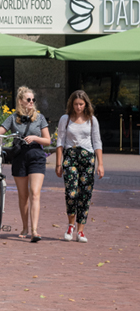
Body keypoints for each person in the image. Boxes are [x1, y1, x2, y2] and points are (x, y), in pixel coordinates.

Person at [0, 86, 51, 242]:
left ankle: (35, 231)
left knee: (35, 193)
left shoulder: (40, 118)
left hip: (36, 156)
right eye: (28, 99)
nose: (31, 102)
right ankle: (25, 227)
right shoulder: (12, 118)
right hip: (19, 157)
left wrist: (35, 138)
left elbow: (47, 140)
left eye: (33, 100)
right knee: (23, 195)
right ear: (20, 101)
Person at [55, 89, 104, 243]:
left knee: (85, 194)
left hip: (87, 158)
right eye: (76, 104)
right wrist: (58, 163)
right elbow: (60, 141)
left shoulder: (92, 120)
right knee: (71, 192)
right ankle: (70, 225)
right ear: (72, 104)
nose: (78, 107)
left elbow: (97, 141)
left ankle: (80, 231)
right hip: (70, 157)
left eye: (81, 104)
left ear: (86, 104)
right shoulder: (65, 119)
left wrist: (100, 164)